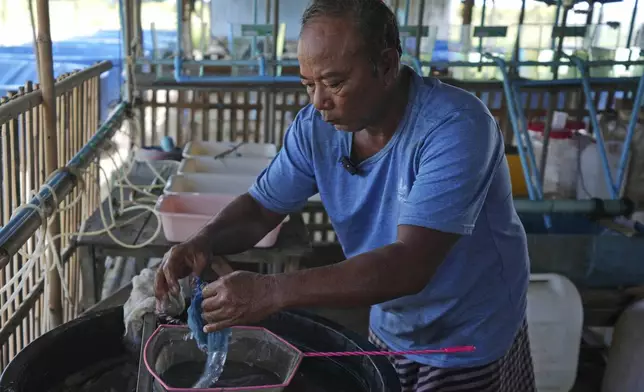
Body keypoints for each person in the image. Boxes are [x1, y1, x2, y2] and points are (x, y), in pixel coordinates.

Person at [155, 0, 536, 390]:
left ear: (387, 64)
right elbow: (259, 208)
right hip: (392, 317)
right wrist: (203, 240)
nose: (318, 101)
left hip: (468, 329)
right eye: (308, 84)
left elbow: (410, 265)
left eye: (335, 83)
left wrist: (272, 291)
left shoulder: (455, 127)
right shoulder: (316, 129)